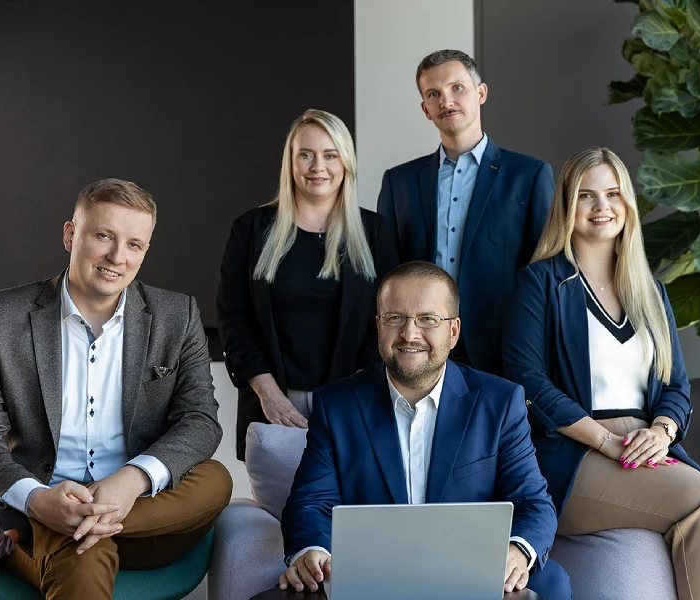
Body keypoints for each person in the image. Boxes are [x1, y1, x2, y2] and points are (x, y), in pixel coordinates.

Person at [503, 147, 700, 600]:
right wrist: (605, 440)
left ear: (627, 203)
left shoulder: (650, 291)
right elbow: (528, 383)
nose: (602, 206)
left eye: (613, 194)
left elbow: (676, 386)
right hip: (575, 454)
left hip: (644, 442)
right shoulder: (540, 283)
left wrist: (663, 430)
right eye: (586, 195)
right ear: (567, 205)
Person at [0, 179, 232, 600]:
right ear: (70, 235)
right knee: (83, 557)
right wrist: (37, 500)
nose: (118, 257)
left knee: (215, 479)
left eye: (134, 244)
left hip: (145, 519)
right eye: (104, 236)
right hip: (41, 497)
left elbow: (200, 421)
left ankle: (4, 526)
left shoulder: (177, 315)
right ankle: (35, 520)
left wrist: (132, 481)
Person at [279, 261, 571, 600]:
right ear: (379, 326)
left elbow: (532, 500)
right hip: (373, 569)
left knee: (551, 583)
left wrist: (517, 551)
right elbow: (311, 501)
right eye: (395, 318)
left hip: (473, 566)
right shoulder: (336, 405)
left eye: (428, 319)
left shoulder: (500, 402)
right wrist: (313, 550)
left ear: (453, 331)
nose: (409, 334)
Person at [217, 109, 399, 460]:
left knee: (346, 495)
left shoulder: (375, 232)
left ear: (345, 162)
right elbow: (233, 320)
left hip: (353, 402)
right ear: (290, 161)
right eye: (306, 155)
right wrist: (269, 394)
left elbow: (388, 319)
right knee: (279, 497)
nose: (318, 167)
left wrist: (356, 390)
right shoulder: (250, 230)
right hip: (273, 404)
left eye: (330, 155)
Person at [377, 49, 553, 376]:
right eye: (434, 94)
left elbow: (542, 271)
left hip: (502, 349)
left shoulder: (528, 176)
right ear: (425, 109)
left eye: (457, 88)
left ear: (481, 93)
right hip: (419, 348)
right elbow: (388, 271)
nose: (446, 101)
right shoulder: (398, 182)